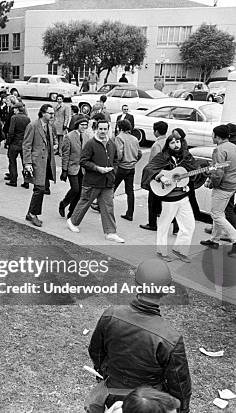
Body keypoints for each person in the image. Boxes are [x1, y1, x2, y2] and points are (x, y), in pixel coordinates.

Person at [85, 259, 191, 413]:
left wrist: (103, 374)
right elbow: (180, 384)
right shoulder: (170, 338)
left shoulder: (111, 315)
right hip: (148, 405)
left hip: (112, 393)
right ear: (167, 290)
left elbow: (96, 352)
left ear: (136, 284)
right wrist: (183, 410)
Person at [67, 119, 125, 243]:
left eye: (105, 129)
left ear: (108, 129)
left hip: (107, 182)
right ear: (96, 129)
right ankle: (72, 221)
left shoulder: (111, 144)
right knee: (85, 203)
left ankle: (111, 232)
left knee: (108, 207)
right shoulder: (90, 144)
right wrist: (97, 168)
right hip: (92, 181)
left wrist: (113, 170)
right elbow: (83, 161)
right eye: (101, 129)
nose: (103, 131)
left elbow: (116, 159)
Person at [142, 132, 198, 262]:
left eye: (177, 142)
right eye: (172, 142)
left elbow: (194, 172)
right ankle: (161, 251)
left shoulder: (187, 157)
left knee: (189, 225)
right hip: (169, 198)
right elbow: (149, 169)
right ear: (168, 145)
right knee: (164, 226)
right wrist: (161, 177)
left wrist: (204, 172)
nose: (176, 144)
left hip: (184, 196)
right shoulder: (162, 156)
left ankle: (180, 250)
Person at [200, 124, 236, 257]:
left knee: (216, 215)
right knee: (219, 213)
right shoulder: (233, 147)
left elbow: (218, 172)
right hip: (232, 186)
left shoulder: (218, 150)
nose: (212, 137)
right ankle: (214, 240)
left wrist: (212, 183)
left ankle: (235, 238)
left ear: (217, 136)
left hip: (222, 187)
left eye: (212, 134)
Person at [23, 104, 56, 227]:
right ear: (43, 113)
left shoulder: (49, 126)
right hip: (36, 162)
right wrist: (27, 163)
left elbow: (51, 140)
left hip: (46, 162)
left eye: (53, 113)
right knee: (39, 189)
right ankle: (33, 214)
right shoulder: (33, 126)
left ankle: (30, 213)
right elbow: (26, 145)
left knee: (41, 189)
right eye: (50, 113)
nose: (52, 115)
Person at [140, 121, 169, 231]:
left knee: (152, 201)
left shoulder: (157, 145)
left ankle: (152, 223)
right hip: (167, 174)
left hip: (157, 175)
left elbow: (152, 163)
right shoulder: (169, 141)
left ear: (156, 131)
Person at [59, 118, 89, 219]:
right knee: (75, 189)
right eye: (82, 124)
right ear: (77, 125)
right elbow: (65, 154)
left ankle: (71, 212)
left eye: (86, 125)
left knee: (80, 191)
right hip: (72, 167)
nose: (84, 127)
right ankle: (63, 204)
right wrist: (64, 170)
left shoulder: (86, 136)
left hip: (82, 168)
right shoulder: (69, 136)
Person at [113, 119, 142, 221]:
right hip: (131, 167)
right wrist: (133, 161)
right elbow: (139, 154)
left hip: (122, 167)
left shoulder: (119, 138)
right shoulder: (134, 139)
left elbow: (119, 153)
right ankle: (130, 213)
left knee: (112, 187)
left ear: (120, 128)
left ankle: (102, 206)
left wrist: (117, 162)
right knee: (130, 191)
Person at [4, 102, 30, 187]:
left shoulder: (14, 118)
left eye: (14, 109)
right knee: (25, 163)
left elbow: (11, 132)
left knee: (12, 161)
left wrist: (8, 142)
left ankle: (13, 180)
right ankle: (26, 181)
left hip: (14, 143)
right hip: (24, 143)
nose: (13, 110)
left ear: (17, 109)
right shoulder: (27, 118)